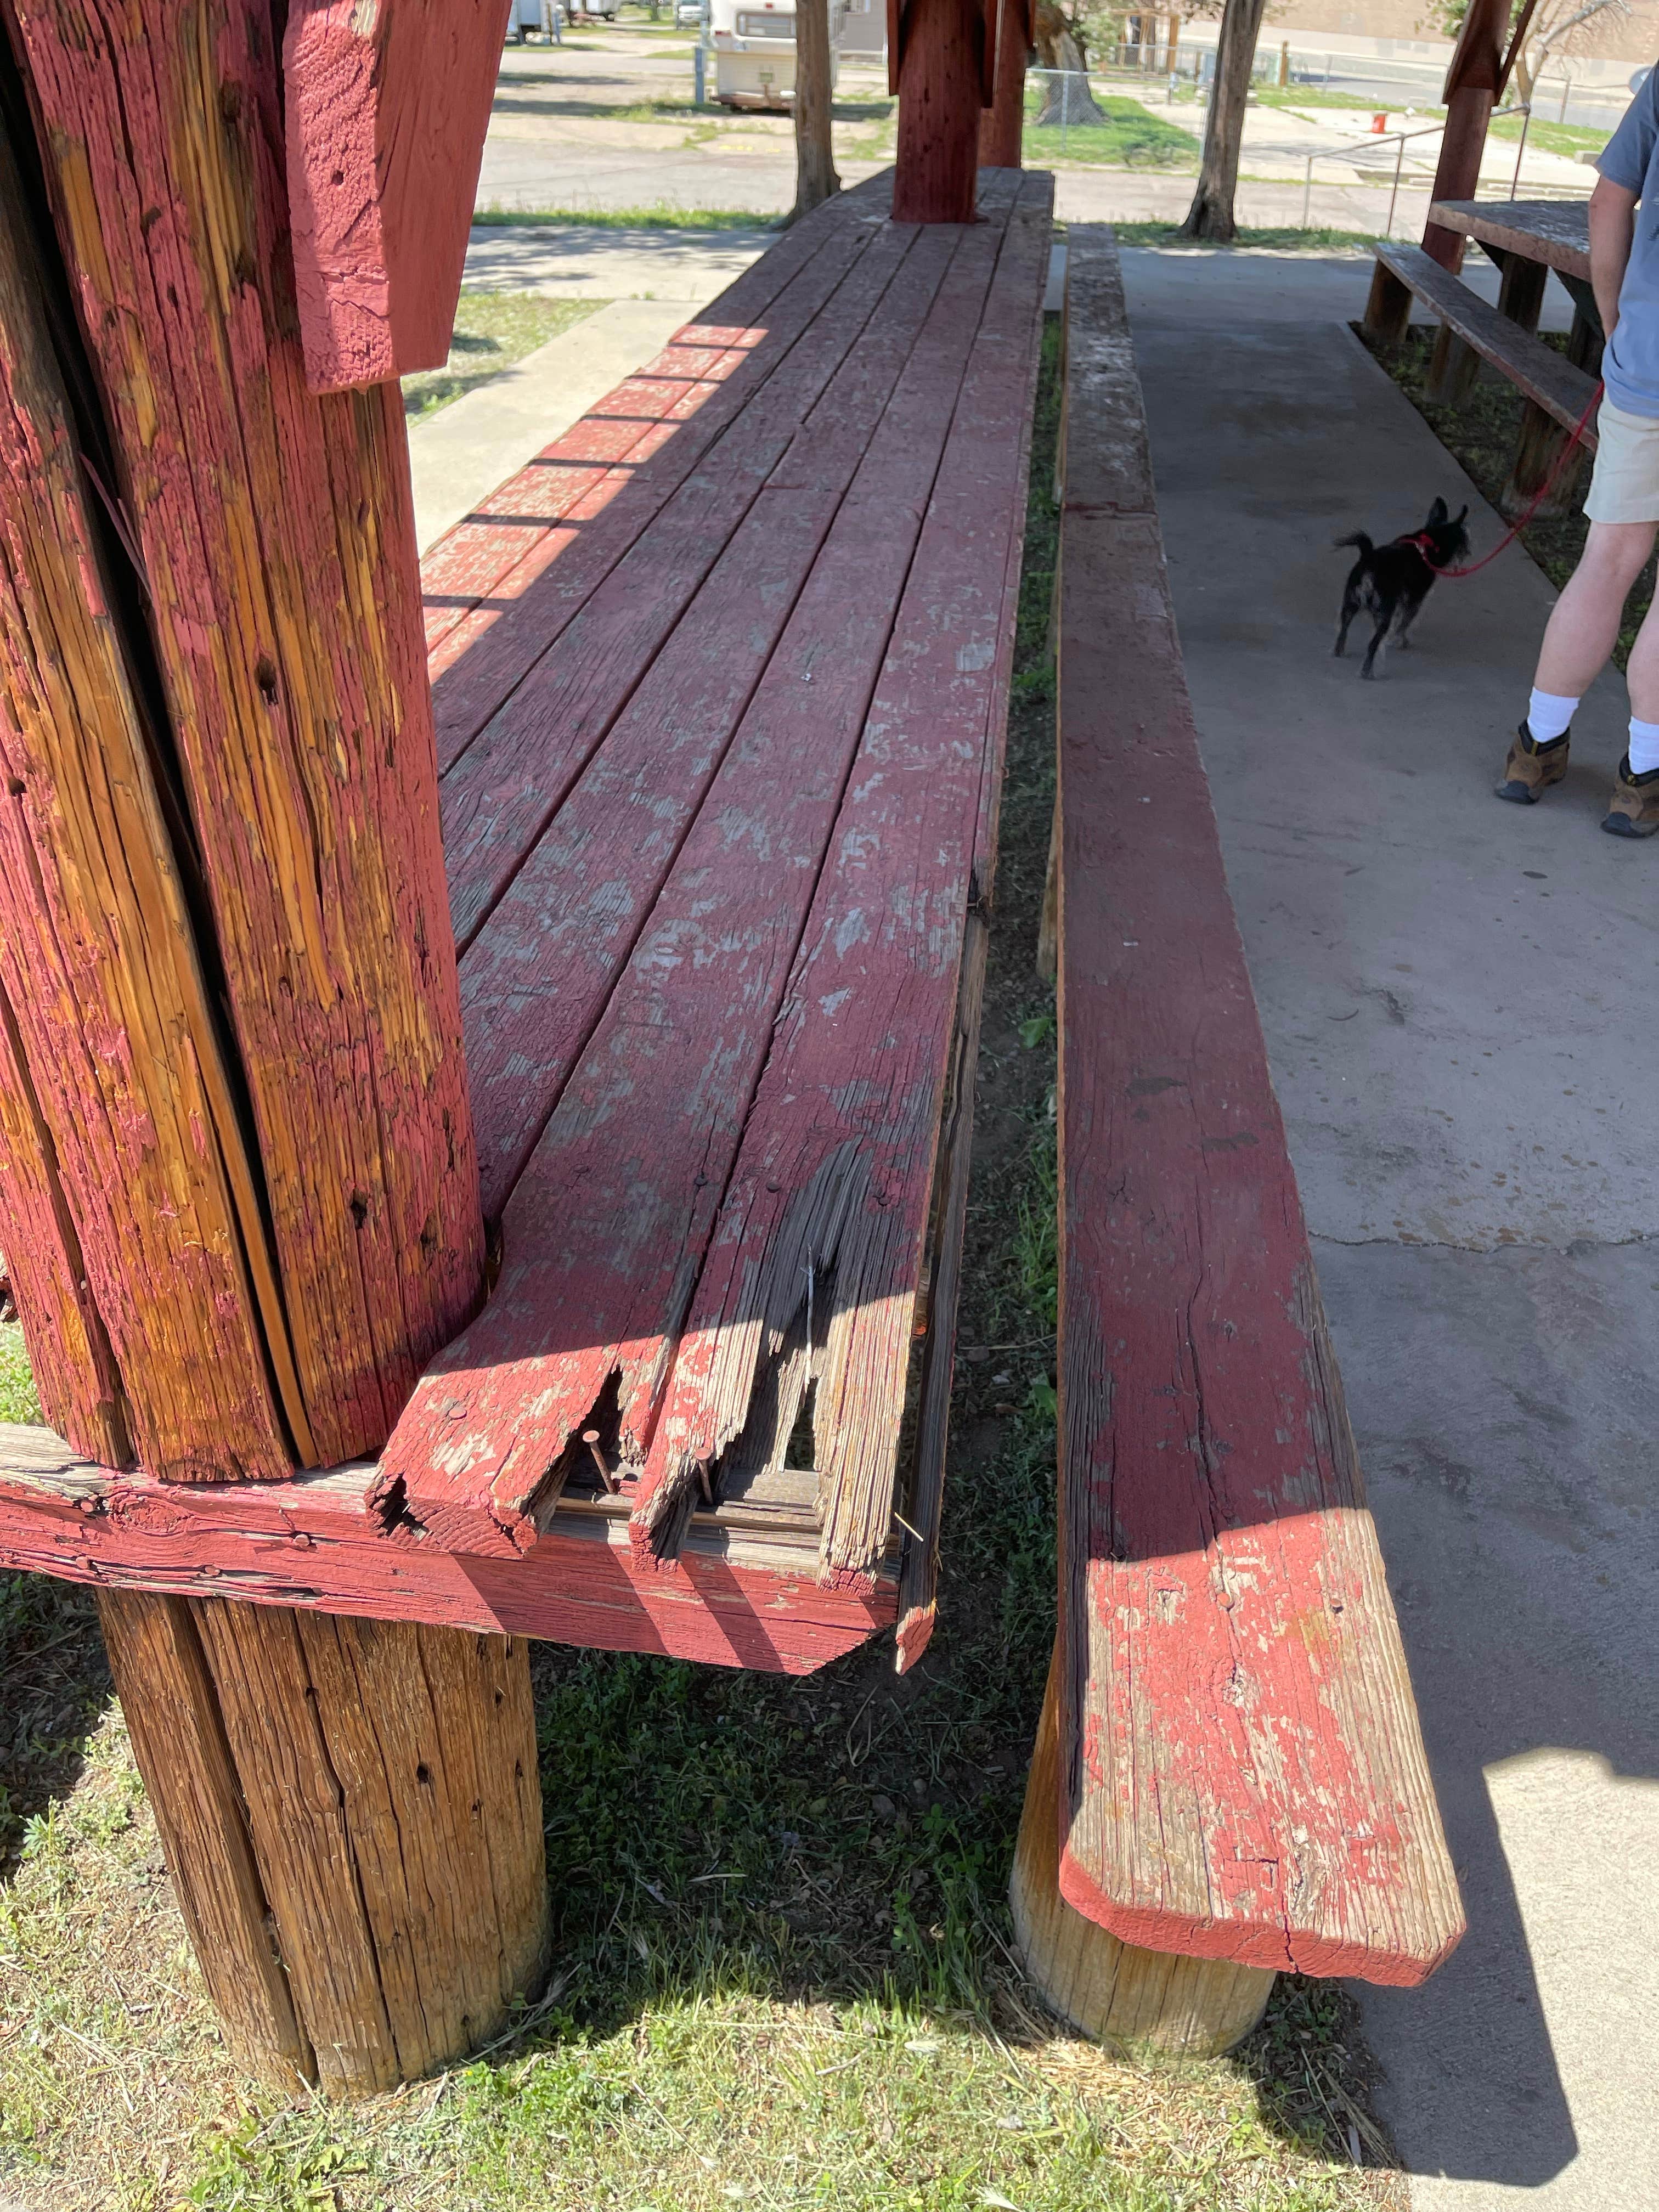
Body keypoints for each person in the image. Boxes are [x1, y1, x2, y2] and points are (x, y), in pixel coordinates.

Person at [1497, 72, 1659, 836]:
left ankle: (1535, 749)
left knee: (1606, 562)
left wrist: (1617, 319)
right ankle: (1643, 780)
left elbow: (1607, 201)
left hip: (1648, 366)